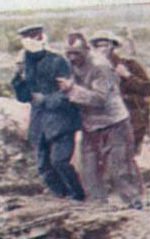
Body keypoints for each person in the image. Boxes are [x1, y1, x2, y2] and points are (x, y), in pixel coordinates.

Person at [57, 33, 144, 209]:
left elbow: (99, 99)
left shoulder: (100, 66)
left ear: (85, 50)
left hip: (114, 122)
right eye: (68, 53)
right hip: (90, 124)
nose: (72, 57)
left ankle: (133, 202)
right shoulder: (70, 65)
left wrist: (71, 89)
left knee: (120, 166)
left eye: (76, 53)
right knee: (89, 168)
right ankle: (97, 205)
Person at [10, 25, 84, 200]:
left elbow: (69, 92)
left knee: (60, 161)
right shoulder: (25, 63)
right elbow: (23, 97)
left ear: (42, 38)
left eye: (34, 37)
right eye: (26, 38)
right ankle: (61, 195)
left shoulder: (58, 61)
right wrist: (18, 79)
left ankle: (77, 195)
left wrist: (46, 100)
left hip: (61, 119)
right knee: (43, 167)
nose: (30, 41)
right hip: (40, 121)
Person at [89, 30, 150, 155]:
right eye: (98, 46)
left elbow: (147, 89)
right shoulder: (91, 69)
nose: (102, 49)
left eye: (105, 45)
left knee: (125, 156)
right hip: (103, 122)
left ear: (113, 46)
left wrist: (127, 75)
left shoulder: (130, 65)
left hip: (132, 119)